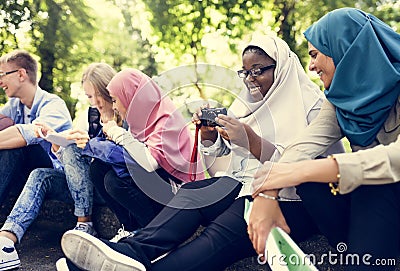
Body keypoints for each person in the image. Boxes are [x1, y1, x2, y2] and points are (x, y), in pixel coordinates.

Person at [58, 35, 343, 271]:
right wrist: (209, 139)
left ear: (280, 67)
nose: (250, 79)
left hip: (293, 200)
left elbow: (302, 168)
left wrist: (252, 140)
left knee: (213, 239)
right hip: (245, 185)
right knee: (194, 192)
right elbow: (226, 156)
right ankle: (127, 252)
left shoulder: (312, 106)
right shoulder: (248, 104)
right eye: (245, 72)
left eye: (259, 70)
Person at [250, 8, 400, 271]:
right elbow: (304, 145)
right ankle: (351, 251)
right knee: (315, 182)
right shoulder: (341, 98)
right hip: (375, 200)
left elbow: (394, 161)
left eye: (315, 54)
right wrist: (269, 191)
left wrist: (303, 170)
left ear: (345, 47)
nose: (311, 65)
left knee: (371, 178)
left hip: (388, 190)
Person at [0, 63, 116, 271]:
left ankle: (84, 224)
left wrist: (92, 146)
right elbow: (68, 162)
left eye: (100, 94)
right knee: (41, 175)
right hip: (79, 185)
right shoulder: (88, 116)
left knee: (72, 149)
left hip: (106, 186)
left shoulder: (124, 115)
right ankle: (6, 241)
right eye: (90, 96)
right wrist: (58, 145)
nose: (96, 101)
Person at [81, 68, 205, 242]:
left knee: (114, 181)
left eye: (116, 100)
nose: (114, 106)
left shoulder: (165, 118)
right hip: (160, 185)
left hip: (182, 194)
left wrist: (117, 133)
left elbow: (150, 162)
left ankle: (155, 236)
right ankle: (131, 229)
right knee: (98, 169)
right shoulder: (140, 118)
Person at [0, 50, 72, 205]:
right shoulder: (14, 106)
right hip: (23, 175)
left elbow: (31, 134)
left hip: (52, 177)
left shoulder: (54, 104)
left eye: (2, 74)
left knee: (19, 144)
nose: (0, 81)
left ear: (20, 74)